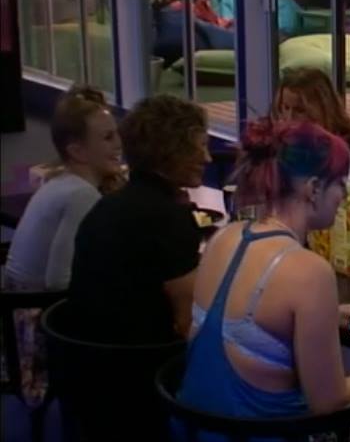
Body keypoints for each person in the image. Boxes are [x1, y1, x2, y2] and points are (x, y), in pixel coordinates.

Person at [178, 118, 350, 442]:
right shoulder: (309, 271)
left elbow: (251, 317)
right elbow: (329, 403)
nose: (344, 196)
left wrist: (334, 313)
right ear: (314, 188)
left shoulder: (225, 238)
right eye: (340, 184)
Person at [2, 85, 121, 406]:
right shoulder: (82, 195)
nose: (119, 145)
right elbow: (59, 283)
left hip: (15, 317)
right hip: (36, 328)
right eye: (108, 138)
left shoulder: (61, 181)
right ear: (78, 151)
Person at [71, 94, 211, 344]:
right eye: (199, 147)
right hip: (142, 360)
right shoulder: (166, 217)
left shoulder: (106, 206)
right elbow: (188, 323)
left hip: (87, 355)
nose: (207, 158)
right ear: (170, 151)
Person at [274, 67, 350, 214]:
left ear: (322, 109)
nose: (290, 118)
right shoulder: (281, 147)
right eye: (285, 108)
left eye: (300, 110)